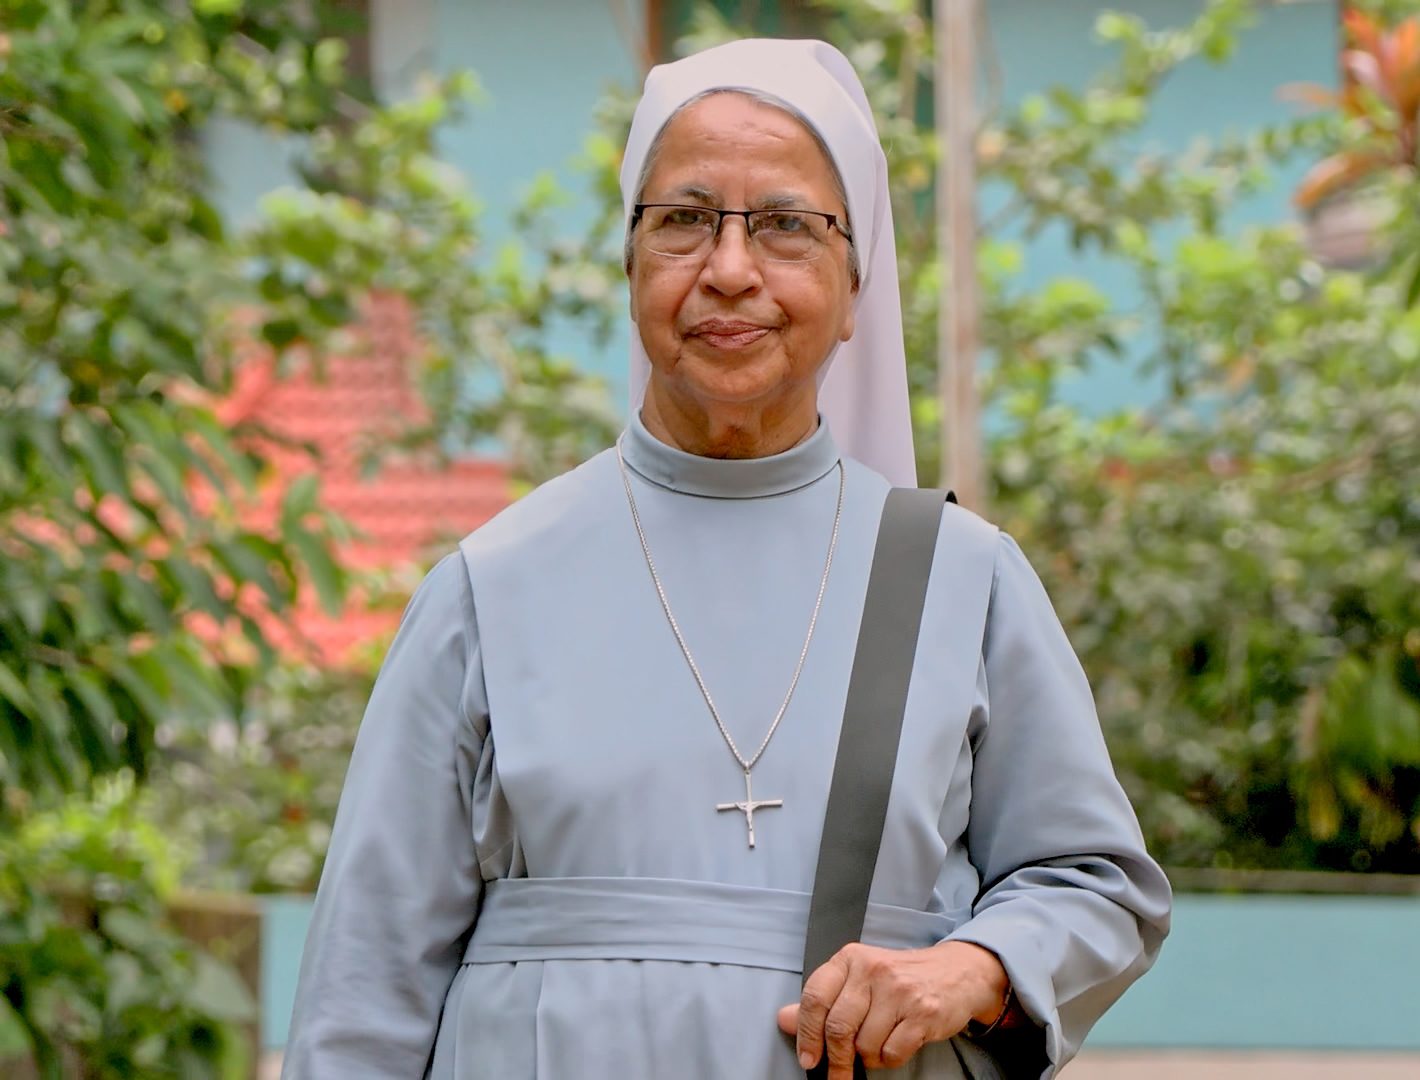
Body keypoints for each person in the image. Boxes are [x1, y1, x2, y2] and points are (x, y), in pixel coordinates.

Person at [281, 37, 1171, 1080]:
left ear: (853, 286)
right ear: (629, 262)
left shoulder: (958, 578)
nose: (730, 269)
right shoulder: (490, 584)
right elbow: (363, 992)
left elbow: (1096, 884)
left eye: (787, 226)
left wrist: (971, 966)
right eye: (684, 221)